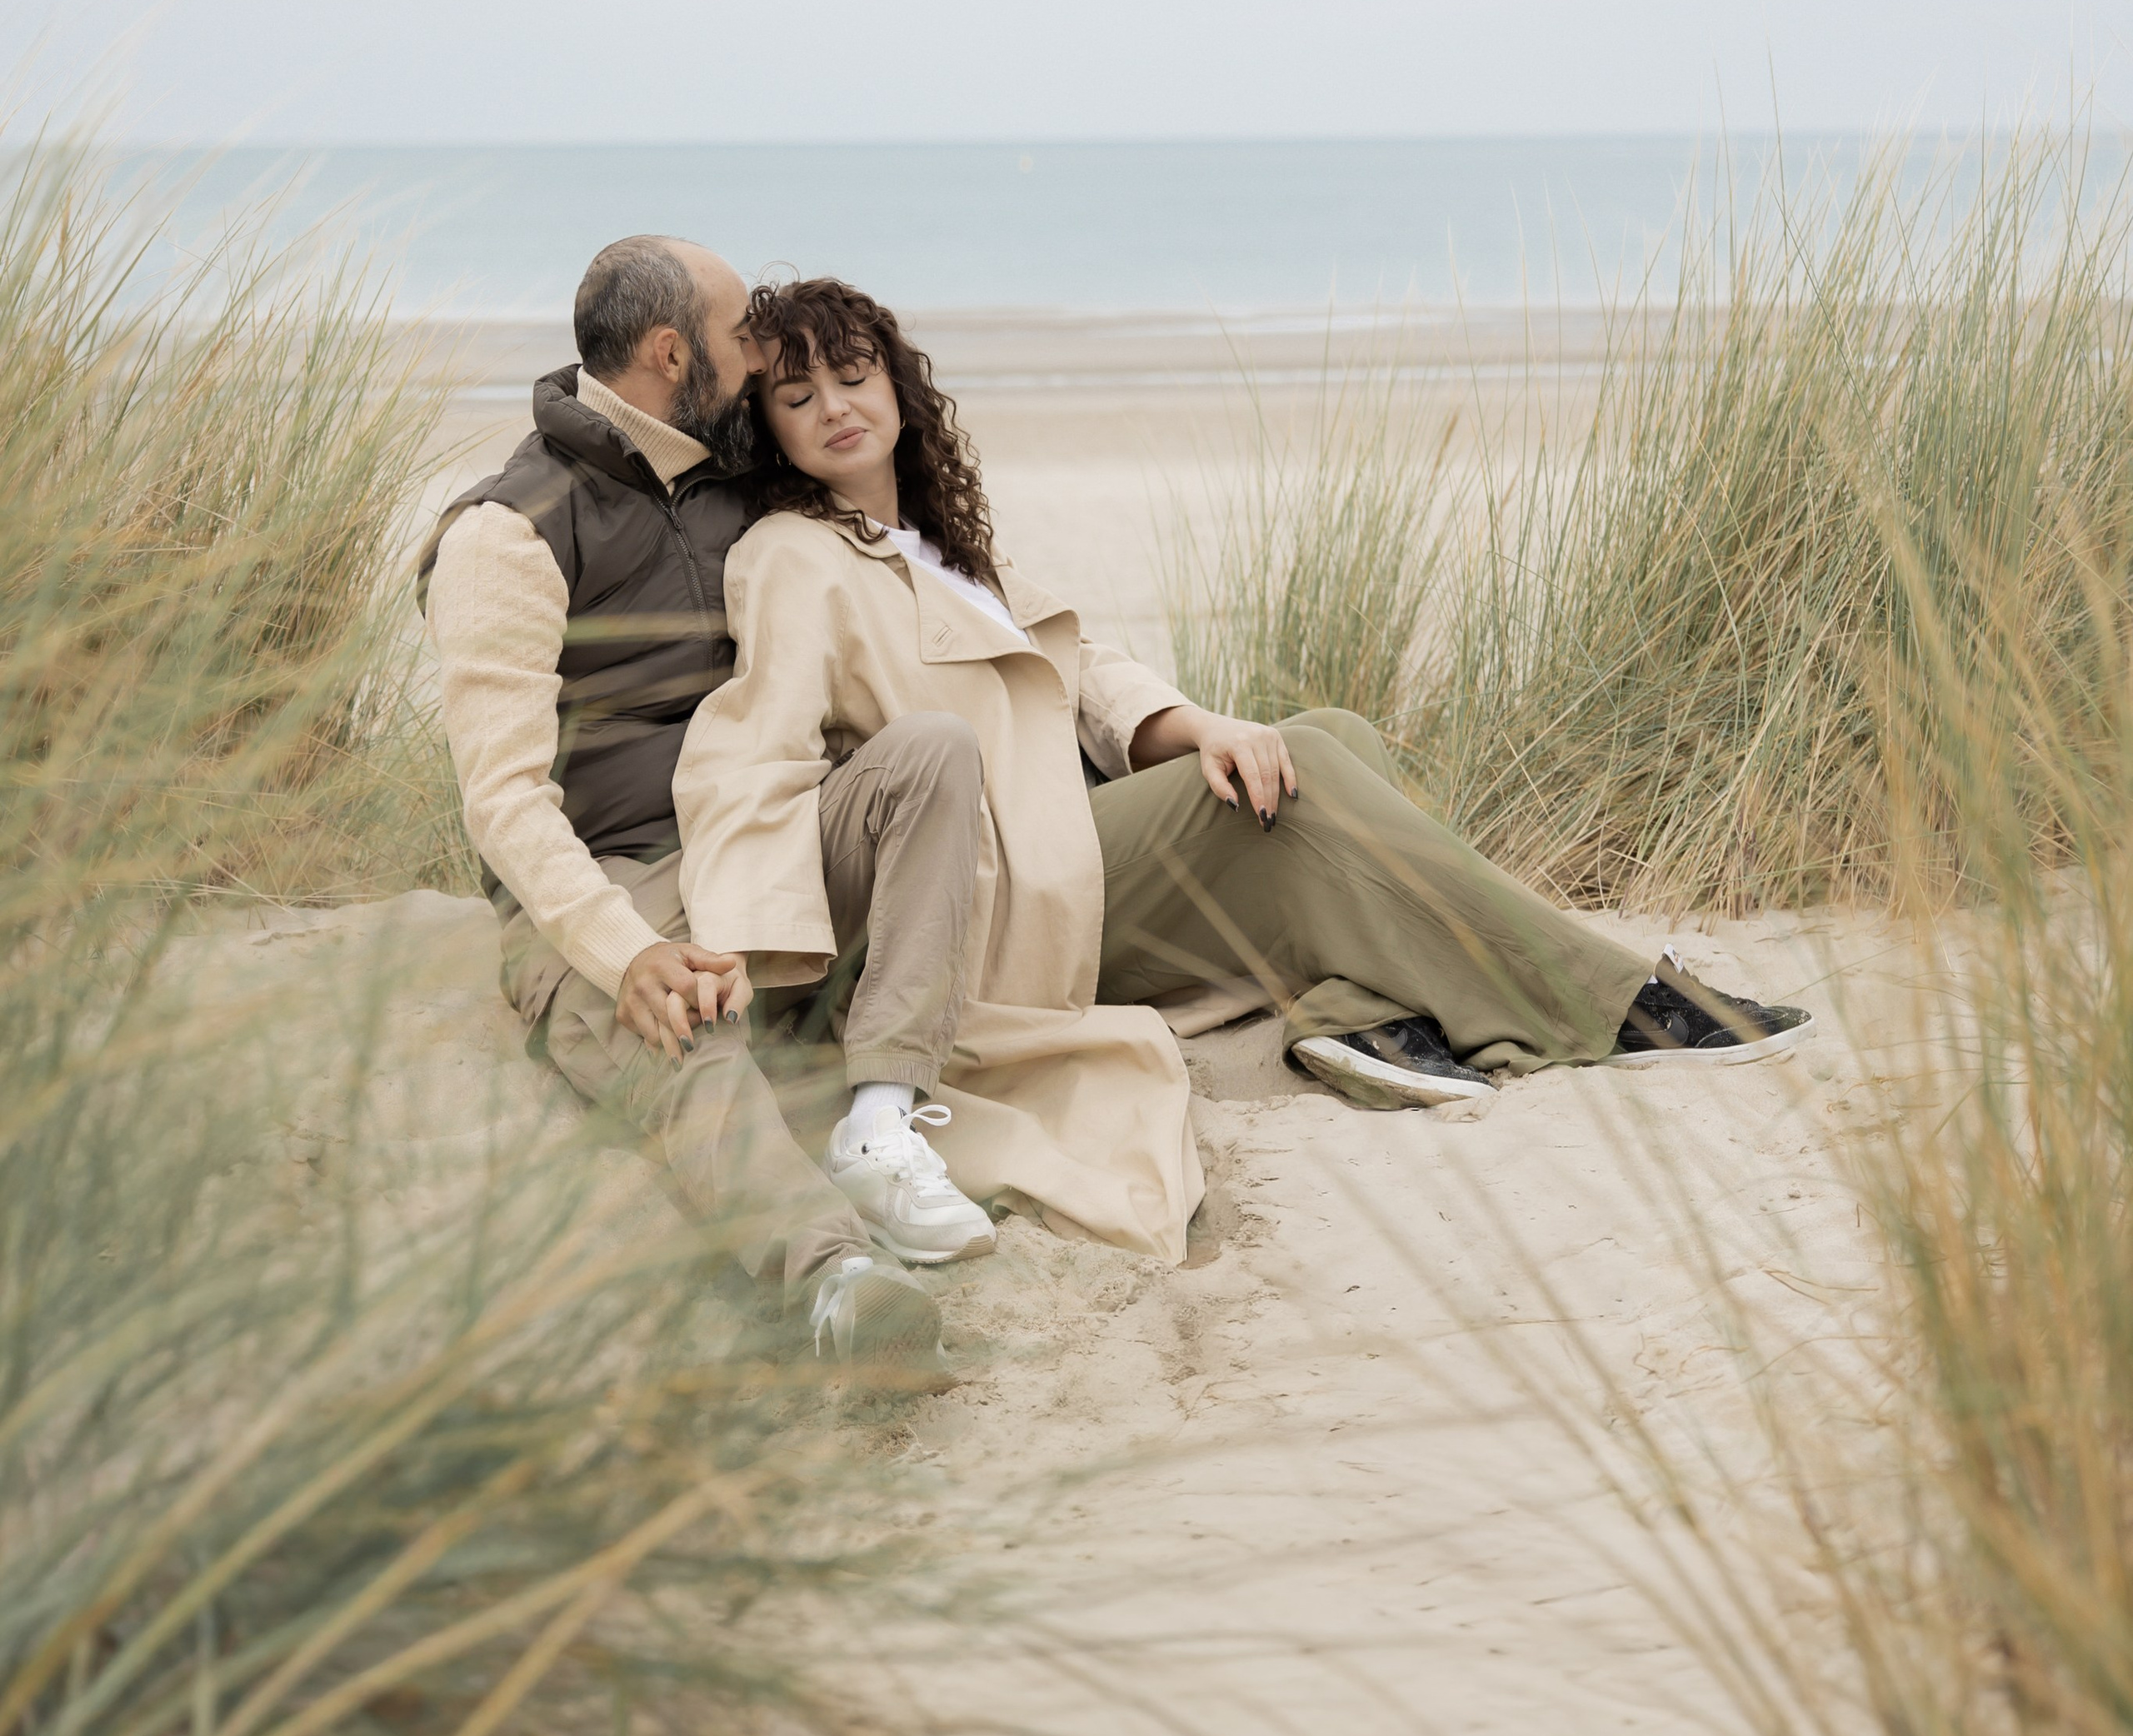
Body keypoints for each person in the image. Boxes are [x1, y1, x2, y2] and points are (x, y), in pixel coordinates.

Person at [672, 277, 1813, 1270]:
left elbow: (1085, 670)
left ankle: (1349, 1016)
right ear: (767, 429)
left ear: (896, 387)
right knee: (1307, 772)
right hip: (999, 892)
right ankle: (1619, 999)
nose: (836, 407)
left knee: (1326, 735)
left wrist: (1201, 724)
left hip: (1069, 839)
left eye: (855, 376)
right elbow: (758, 750)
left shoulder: (937, 541)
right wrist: (747, 965)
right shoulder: (791, 555)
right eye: (799, 396)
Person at [417, 234, 987, 1377]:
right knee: (683, 1032)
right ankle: (835, 1279)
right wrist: (625, 950)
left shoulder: (735, 478)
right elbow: (505, 800)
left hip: (759, 847)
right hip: (614, 883)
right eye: (743, 338)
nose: (763, 357)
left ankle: (882, 1117)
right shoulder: (508, 531)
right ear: (673, 354)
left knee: (927, 754)